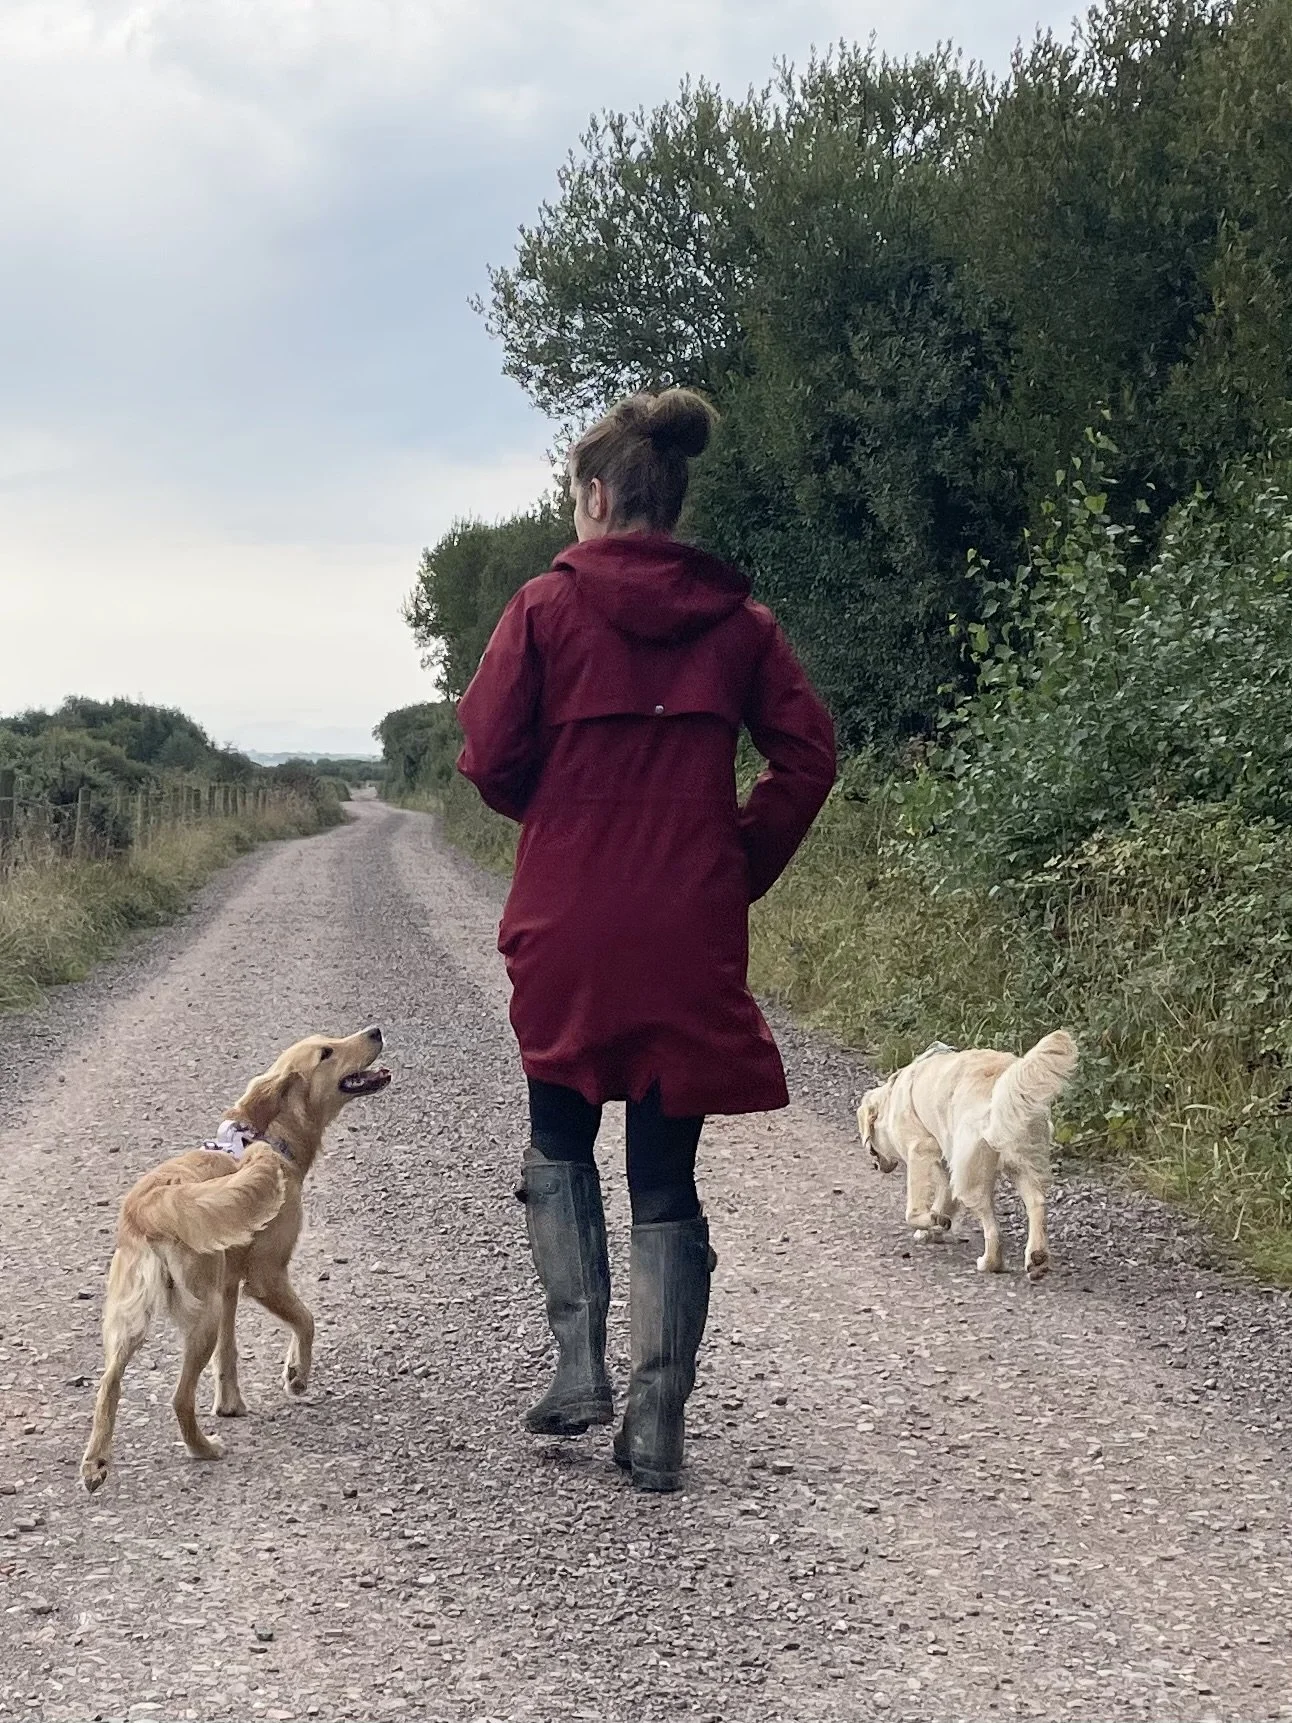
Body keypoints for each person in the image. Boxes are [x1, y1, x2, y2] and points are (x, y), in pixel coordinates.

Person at [456, 387, 836, 1492]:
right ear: (668, 499)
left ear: (592, 497)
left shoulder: (541, 608)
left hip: (568, 918)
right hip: (685, 924)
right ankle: (657, 1420)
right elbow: (805, 757)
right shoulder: (739, 626)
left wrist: (559, 817)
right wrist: (732, 861)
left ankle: (577, 1368)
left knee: (558, 1135)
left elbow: (484, 755)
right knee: (664, 1179)